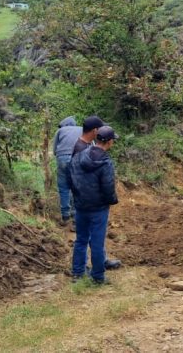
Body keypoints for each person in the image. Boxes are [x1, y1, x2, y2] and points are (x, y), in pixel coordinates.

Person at [67, 125, 121, 284]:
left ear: (96, 138)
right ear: (109, 142)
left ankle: (77, 273)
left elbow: (70, 177)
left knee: (81, 239)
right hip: (98, 208)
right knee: (97, 242)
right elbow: (108, 186)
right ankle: (98, 277)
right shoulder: (105, 162)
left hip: (81, 205)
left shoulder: (79, 155)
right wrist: (111, 200)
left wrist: (77, 197)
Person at [52, 116, 82, 223]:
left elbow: (54, 150)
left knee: (64, 187)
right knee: (76, 187)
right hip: (78, 158)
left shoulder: (60, 131)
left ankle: (65, 216)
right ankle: (76, 217)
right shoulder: (82, 129)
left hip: (62, 158)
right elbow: (90, 145)